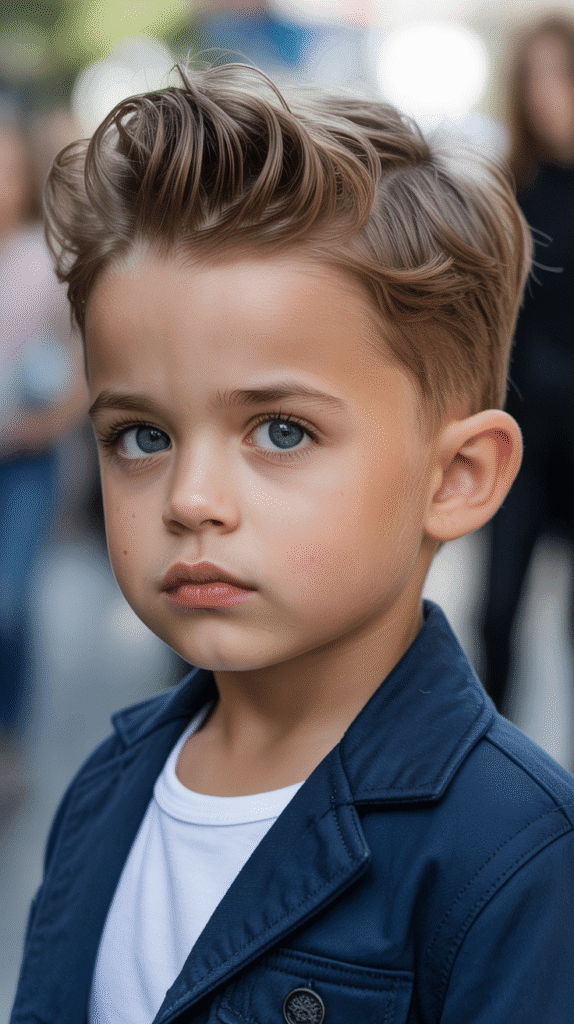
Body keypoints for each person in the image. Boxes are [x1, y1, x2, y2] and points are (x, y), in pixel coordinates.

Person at [10, 63, 574, 1024]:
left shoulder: (517, 858)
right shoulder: (108, 783)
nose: (190, 500)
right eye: (141, 437)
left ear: (456, 477)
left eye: (280, 431)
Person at [481, 14, 574, 715]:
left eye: (561, 76)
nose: (547, 96)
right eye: (533, 79)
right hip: (519, 435)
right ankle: (488, 762)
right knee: (496, 611)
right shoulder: (506, 189)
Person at [0, 107, 86, 814]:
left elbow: (86, 365)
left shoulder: (47, 261)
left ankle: (8, 740)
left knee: (9, 601)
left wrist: (49, 422)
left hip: (25, 460)